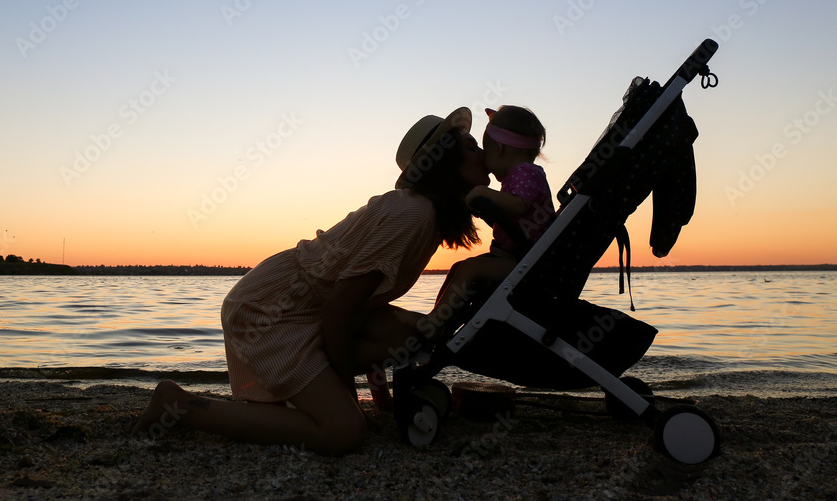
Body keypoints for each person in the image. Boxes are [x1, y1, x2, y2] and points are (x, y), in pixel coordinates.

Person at [132, 107, 489, 454]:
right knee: (344, 432)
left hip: (305, 306)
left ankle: (315, 401)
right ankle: (175, 404)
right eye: (472, 146)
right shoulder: (412, 215)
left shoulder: (424, 215)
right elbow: (340, 309)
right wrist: (353, 403)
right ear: (444, 161)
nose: (483, 153)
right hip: (271, 310)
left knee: (414, 331)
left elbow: (365, 303)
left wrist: (382, 401)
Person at [427, 105, 556, 321]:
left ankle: (434, 324)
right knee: (460, 267)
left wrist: (482, 192)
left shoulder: (526, 172)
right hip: (517, 256)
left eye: (486, 151)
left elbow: (518, 205)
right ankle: (443, 319)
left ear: (499, 148)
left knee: (470, 269)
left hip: (525, 260)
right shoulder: (519, 175)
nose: (484, 159)